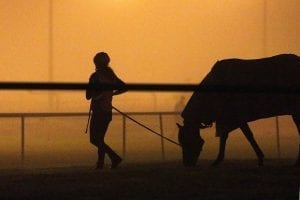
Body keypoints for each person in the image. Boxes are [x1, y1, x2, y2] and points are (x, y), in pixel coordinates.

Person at [86, 52, 127, 169]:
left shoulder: (95, 76)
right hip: (107, 112)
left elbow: (88, 95)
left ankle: (114, 157)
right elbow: (124, 87)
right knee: (100, 139)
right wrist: (112, 94)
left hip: (99, 111)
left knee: (94, 140)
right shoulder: (111, 77)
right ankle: (100, 163)